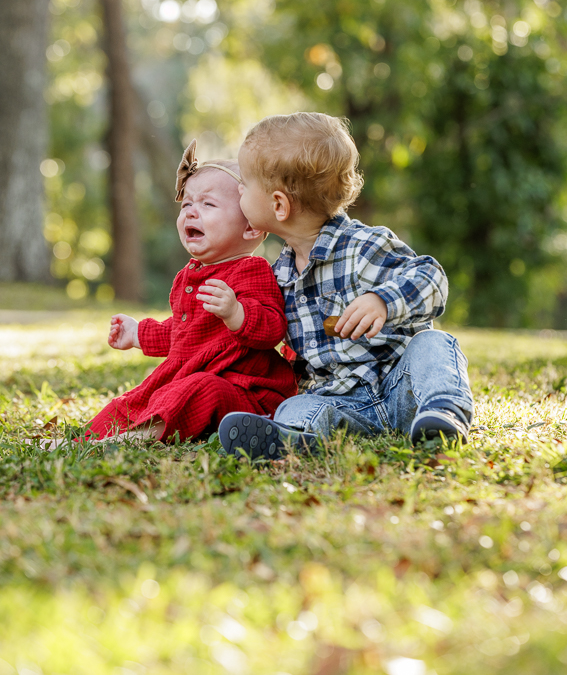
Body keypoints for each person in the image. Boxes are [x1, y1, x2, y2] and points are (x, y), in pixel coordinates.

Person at [218, 112, 473, 460]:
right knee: (299, 404)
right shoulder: (277, 276)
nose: (238, 191)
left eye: (244, 184)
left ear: (279, 205)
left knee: (435, 343)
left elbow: (432, 279)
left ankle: (443, 414)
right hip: (338, 404)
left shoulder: (363, 247)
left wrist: (382, 300)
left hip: (400, 388)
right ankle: (291, 439)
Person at [79, 140, 297, 446]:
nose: (192, 213)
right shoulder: (187, 276)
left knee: (200, 389)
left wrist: (238, 313)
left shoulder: (252, 269)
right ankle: (82, 441)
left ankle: (131, 440)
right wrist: (139, 333)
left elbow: (273, 328)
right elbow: (184, 332)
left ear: (250, 228)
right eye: (187, 205)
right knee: (137, 399)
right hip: (192, 379)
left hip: (246, 393)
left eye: (208, 204)